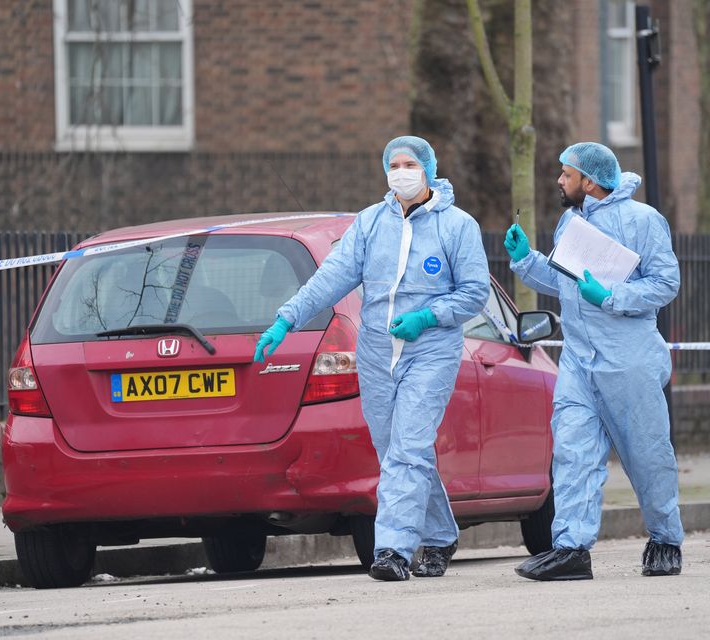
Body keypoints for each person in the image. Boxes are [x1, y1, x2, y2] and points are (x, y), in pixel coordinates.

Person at [254, 135, 490, 581]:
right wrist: (286, 320)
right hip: (378, 352)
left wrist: (428, 316)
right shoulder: (369, 224)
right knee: (396, 452)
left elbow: (475, 292)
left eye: (409, 164)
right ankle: (439, 535)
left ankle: (393, 550)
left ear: (428, 169)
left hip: (431, 351)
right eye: (393, 164)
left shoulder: (458, 226)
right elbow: (332, 278)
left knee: (409, 448)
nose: (401, 172)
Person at [504, 142, 684, 580]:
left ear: (589, 181)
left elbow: (666, 283)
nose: (559, 181)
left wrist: (612, 297)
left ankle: (666, 539)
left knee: (647, 454)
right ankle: (570, 549)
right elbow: (564, 279)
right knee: (572, 453)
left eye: (566, 174)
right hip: (580, 362)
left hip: (629, 362)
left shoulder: (643, 220)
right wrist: (526, 261)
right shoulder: (570, 221)